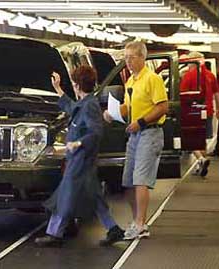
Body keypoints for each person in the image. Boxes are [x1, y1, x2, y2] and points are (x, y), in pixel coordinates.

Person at [35, 65, 124, 247]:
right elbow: (71, 107)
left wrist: (78, 143)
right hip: (82, 161)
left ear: (77, 85)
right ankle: (113, 229)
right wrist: (58, 89)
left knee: (64, 195)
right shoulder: (85, 103)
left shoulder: (90, 106)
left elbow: (96, 131)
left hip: (80, 160)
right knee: (95, 197)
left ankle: (55, 234)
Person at [103, 41, 168, 240]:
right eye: (126, 57)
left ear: (142, 57)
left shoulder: (152, 79)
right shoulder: (131, 81)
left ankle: (141, 224)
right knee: (128, 181)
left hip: (150, 133)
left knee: (140, 180)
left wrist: (140, 122)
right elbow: (127, 107)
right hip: (134, 135)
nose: (128, 62)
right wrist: (112, 113)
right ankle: (136, 222)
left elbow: (162, 107)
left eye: (131, 57)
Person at [180, 51, 219, 176]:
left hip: (193, 112)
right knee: (203, 140)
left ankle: (201, 160)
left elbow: (182, 95)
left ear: (192, 62)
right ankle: (200, 164)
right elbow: (216, 94)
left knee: (190, 139)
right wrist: (218, 108)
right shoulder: (210, 75)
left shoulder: (189, 76)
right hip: (207, 111)